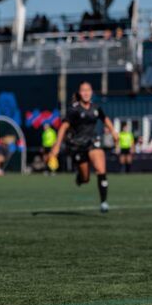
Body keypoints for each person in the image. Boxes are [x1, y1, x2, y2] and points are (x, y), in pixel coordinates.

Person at [49, 82, 119, 213]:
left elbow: (105, 119)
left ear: (92, 92)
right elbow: (63, 127)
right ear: (79, 93)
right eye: (83, 90)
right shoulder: (74, 109)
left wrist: (114, 132)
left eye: (88, 90)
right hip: (78, 145)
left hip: (93, 142)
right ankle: (80, 178)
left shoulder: (96, 108)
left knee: (101, 170)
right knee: (85, 178)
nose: (86, 93)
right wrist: (57, 146)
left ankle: (104, 202)